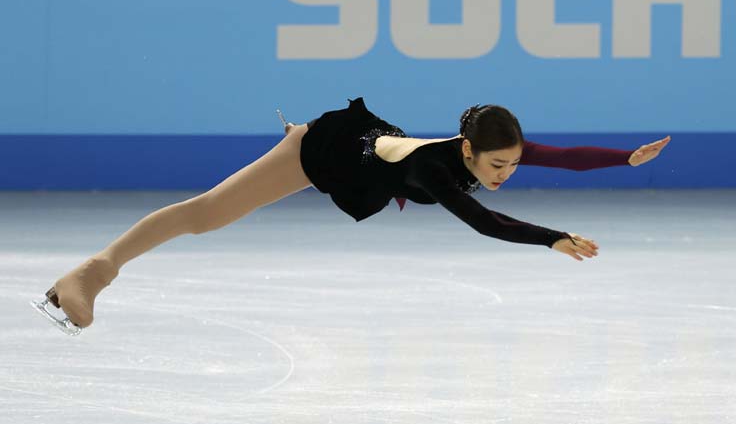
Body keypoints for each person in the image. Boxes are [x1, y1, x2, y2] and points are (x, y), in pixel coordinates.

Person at [31, 97, 670, 335]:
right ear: (469, 151)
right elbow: (483, 224)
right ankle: (94, 271)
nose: (505, 175)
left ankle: (96, 269)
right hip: (327, 150)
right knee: (207, 215)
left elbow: (565, 158)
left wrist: (626, 159)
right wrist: (554, 238)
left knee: (210, 216)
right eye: (496, 165)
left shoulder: (487, 150)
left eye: (511, 165)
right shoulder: (435, 170)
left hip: (370, 150)